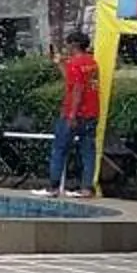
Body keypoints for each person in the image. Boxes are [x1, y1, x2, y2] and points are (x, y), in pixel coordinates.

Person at [49, 34, 102, 196]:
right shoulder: (92, 62)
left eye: (68, 45)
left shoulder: (74, 63)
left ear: (75, 45)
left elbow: (77, 90)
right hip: (92, 112)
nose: (66, 48)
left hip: (74, 113)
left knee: (59, 149)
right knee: (88, 151)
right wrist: (59, 65)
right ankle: (87, 188)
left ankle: (54, 187)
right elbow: (72, 82)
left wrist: (72, 115)